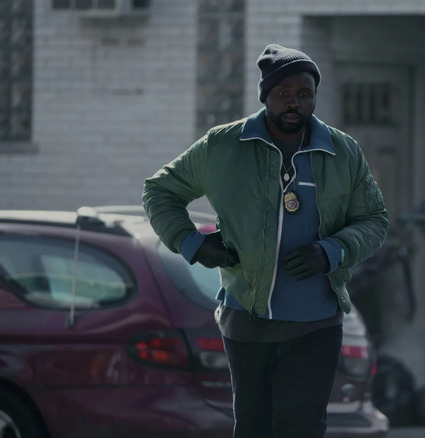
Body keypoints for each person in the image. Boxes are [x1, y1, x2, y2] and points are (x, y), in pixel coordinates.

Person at [142, 43, 389, 437]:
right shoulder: (223, 146)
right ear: (266, 95)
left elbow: (374, 221)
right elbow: (159, 191)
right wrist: (191, 243)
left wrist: (330, 251)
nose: (294, 103)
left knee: (303, 426)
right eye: (284, 93)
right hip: (247, 320)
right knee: (254, 427)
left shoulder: (342, 151)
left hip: (317, 323)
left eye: (304, 94)